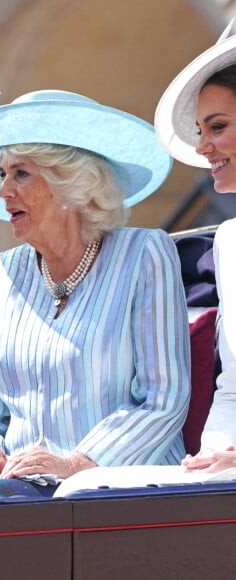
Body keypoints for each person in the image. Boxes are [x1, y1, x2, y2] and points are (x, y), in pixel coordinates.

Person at [0, 90, 191, 497]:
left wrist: (76, 465)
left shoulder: (144, 253)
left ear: (71, 184)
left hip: (126, 491)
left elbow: (164, 399)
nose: (3, 190)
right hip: (20, 494)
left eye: (20, 174)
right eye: (1, 174)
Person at [155, 23, 236, 474]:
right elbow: (232, 390)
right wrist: (209, 460)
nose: (203, 147)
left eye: (218, 127)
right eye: (200, 129)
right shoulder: (228, 242)